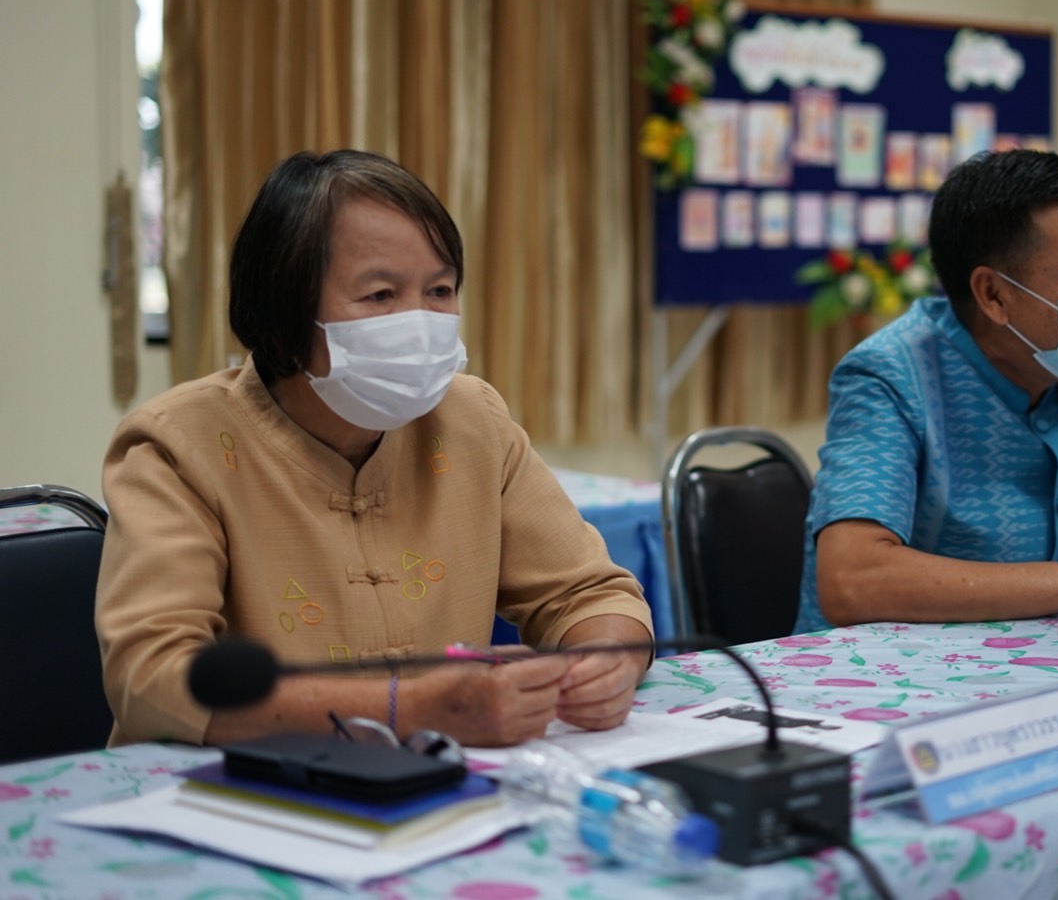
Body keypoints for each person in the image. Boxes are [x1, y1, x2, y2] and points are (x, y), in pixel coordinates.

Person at [97, 150, 653, 748]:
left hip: (435, 797)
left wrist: (607, 660)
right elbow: (153, 676)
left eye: (440, 290)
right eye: (381, 295)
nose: (420, 323)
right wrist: (408, 709)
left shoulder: (473, 421)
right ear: (285, 312)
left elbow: (588, 593)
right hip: (232, 801)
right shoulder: (180, 445)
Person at [796, 149, 1058, 633]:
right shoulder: (890, 375)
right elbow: (852, 581)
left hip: (1040, 671)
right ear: (993, 295)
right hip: (879, 685)